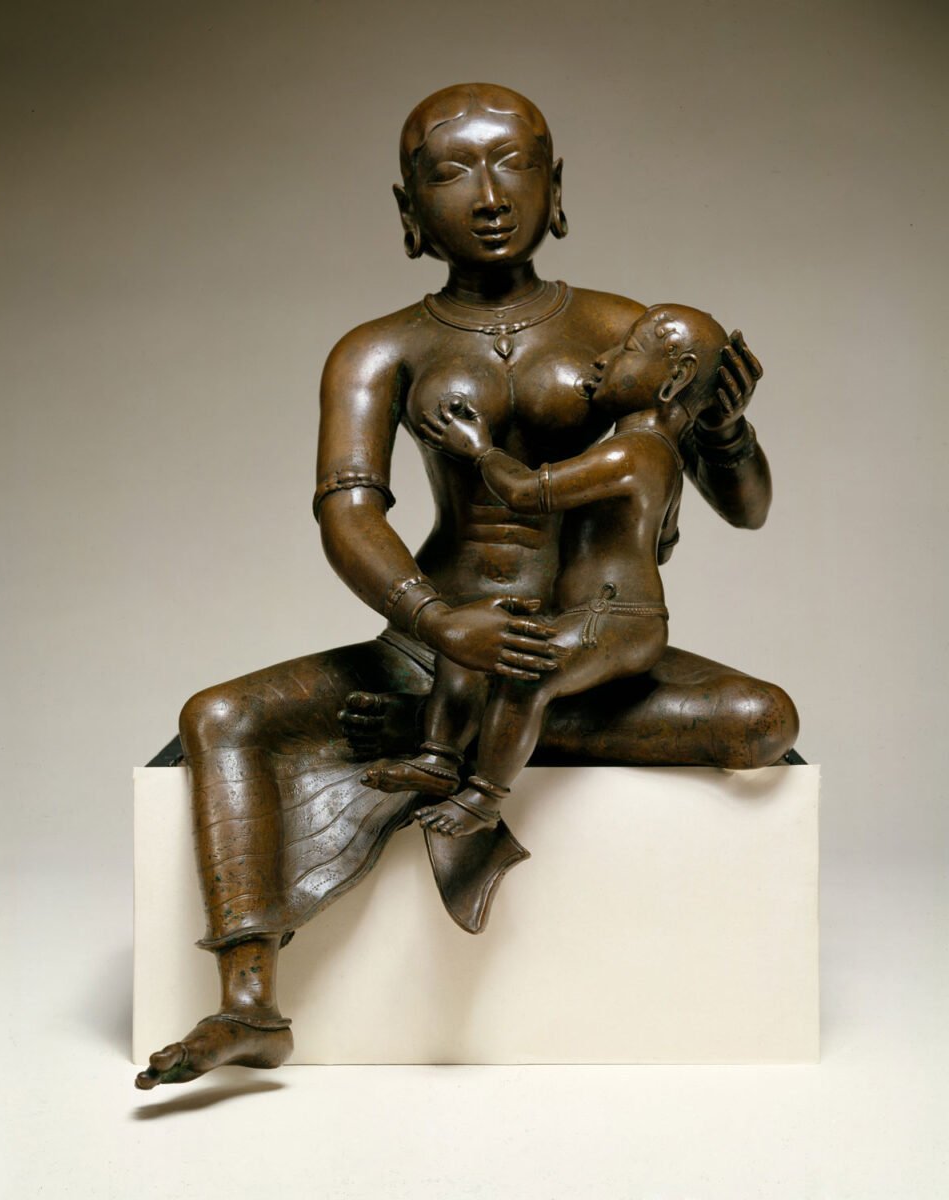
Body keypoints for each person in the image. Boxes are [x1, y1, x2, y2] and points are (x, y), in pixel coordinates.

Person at [135, 84, 798, 1090]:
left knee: (763, 722)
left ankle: (445, 738)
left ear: (556, 187)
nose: (489, 196)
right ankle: (248, 1001)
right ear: (409, 210)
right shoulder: (378, 349)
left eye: (514, 165)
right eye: (451, 173)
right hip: (435, 642)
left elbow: (745, 509)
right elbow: (349, 513)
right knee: (217, 716)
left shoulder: (633, 327)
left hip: (583, 647)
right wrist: (441, 622)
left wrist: (726, 427)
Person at [369, 304, 728, 835]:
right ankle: (438, 759)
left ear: (674, 378)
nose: (603, 359)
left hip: (618, 618)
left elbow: (525, 493)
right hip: (591, 612)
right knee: (474, 648)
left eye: (627, 350)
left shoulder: (632, 454)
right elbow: (664, 545)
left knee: (526, 677)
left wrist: (479, 450)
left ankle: (484, 799)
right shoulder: (660, 457)